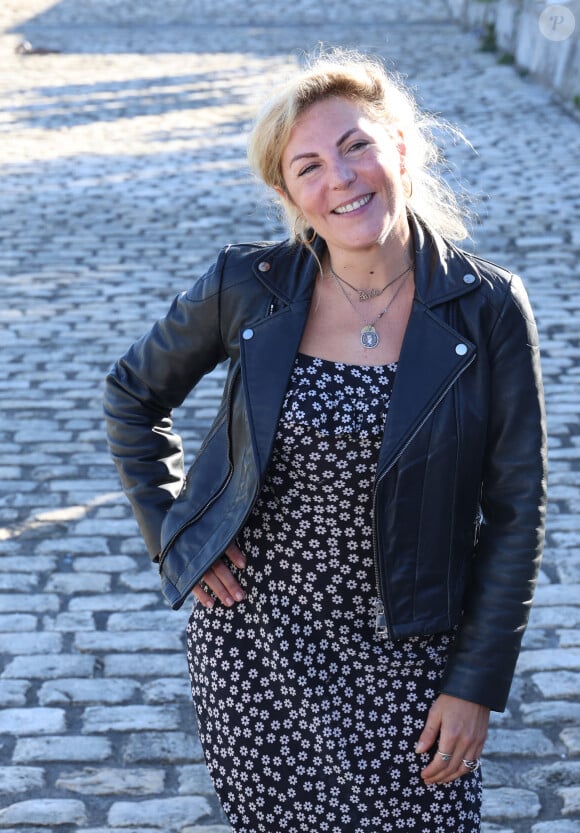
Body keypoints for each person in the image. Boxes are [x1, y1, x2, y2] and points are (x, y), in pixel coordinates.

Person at [104, 49, 547, 833]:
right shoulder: (248, 284)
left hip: (413, 652)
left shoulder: (488, 308)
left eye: (355, 146)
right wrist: (176, 534)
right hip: (257, 651)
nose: (340, 179)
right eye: (308, 165)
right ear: (288, 193)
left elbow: (515, 510)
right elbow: (132, 395)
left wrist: (475, 682)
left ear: (400, 150)